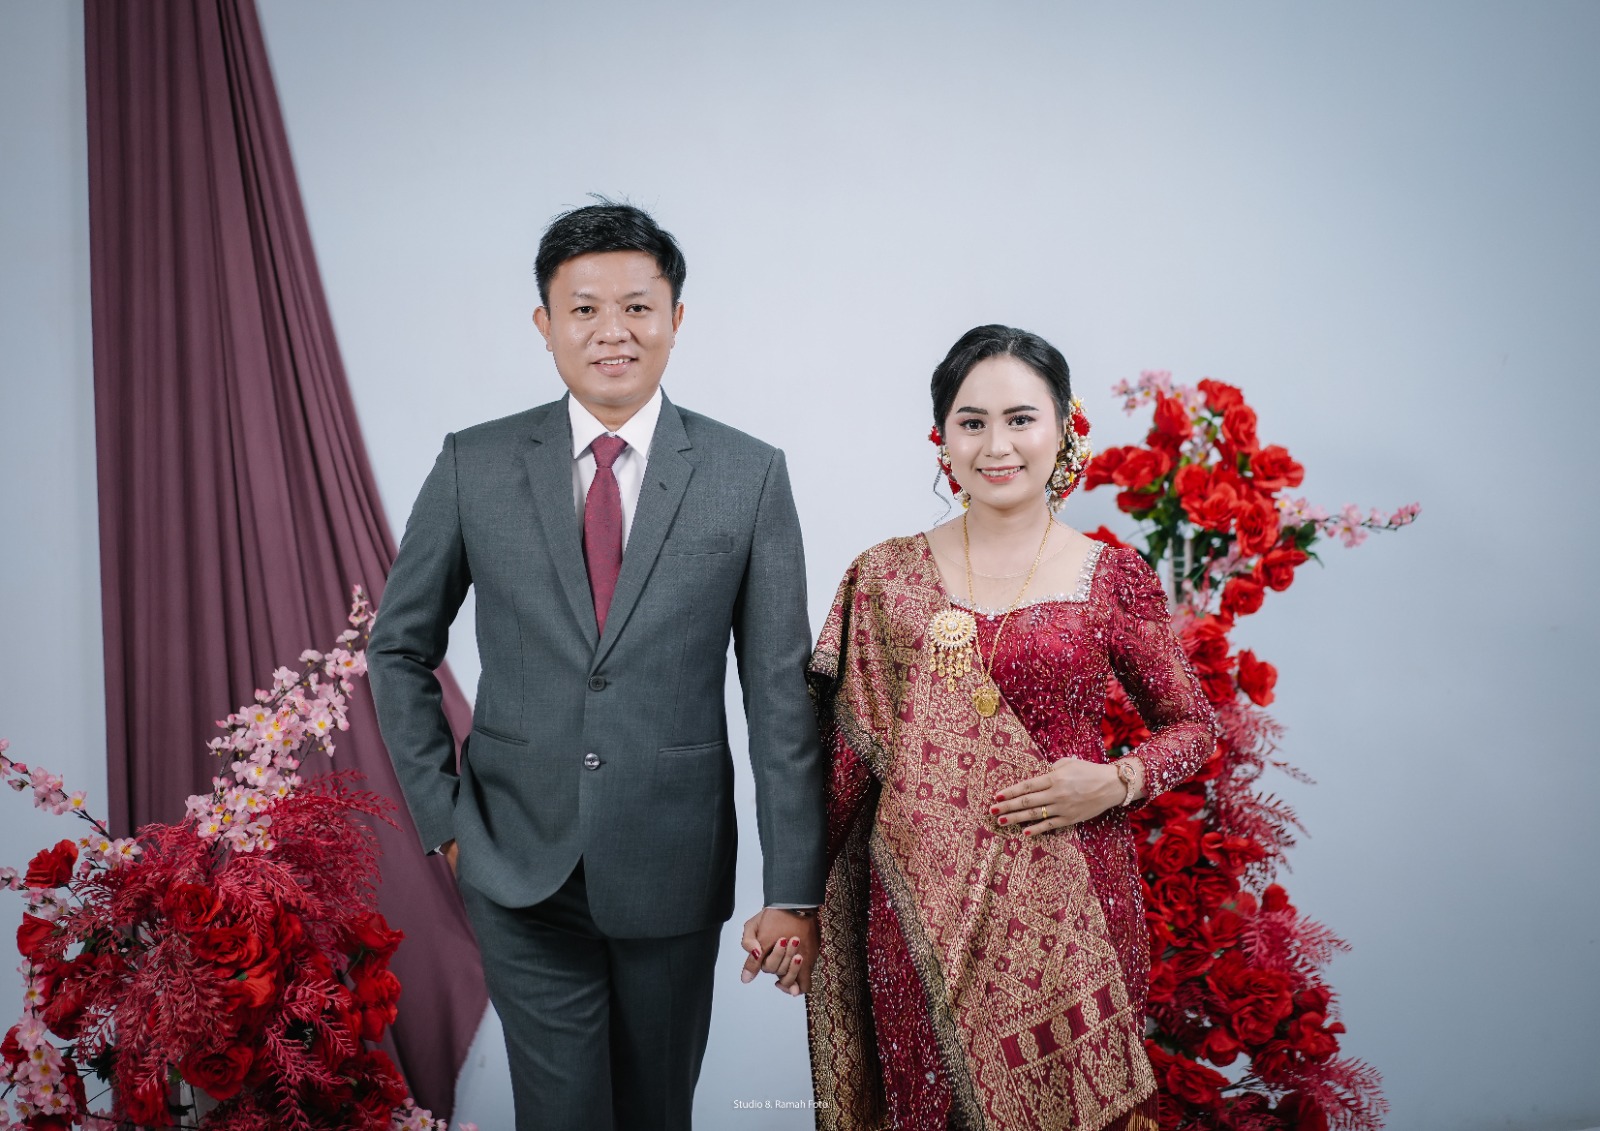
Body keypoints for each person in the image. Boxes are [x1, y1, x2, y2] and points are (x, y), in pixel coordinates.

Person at [368, 201, 825, 1131]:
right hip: (513, 859)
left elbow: (781, 697)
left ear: (676, 319)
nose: (612, 331)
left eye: (637, 307)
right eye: (583, 309)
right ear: (545, 324)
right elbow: (399, 647)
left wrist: (792, 890)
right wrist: (447, 823)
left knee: (656, 1113)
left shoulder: (748, 474)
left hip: (673, 862)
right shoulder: (473, 464)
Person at [805, 325, 1219, 1130]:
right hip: (919, 911)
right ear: (942, 437)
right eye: (972, 422)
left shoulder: (1111, 576)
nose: (996, 445)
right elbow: (843, 764)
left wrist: (1117, 780)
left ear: (1065, 427)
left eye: (1021, 419)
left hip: (1074, 905)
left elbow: (1192, 725)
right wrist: (796, 901)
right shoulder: (884, 577)